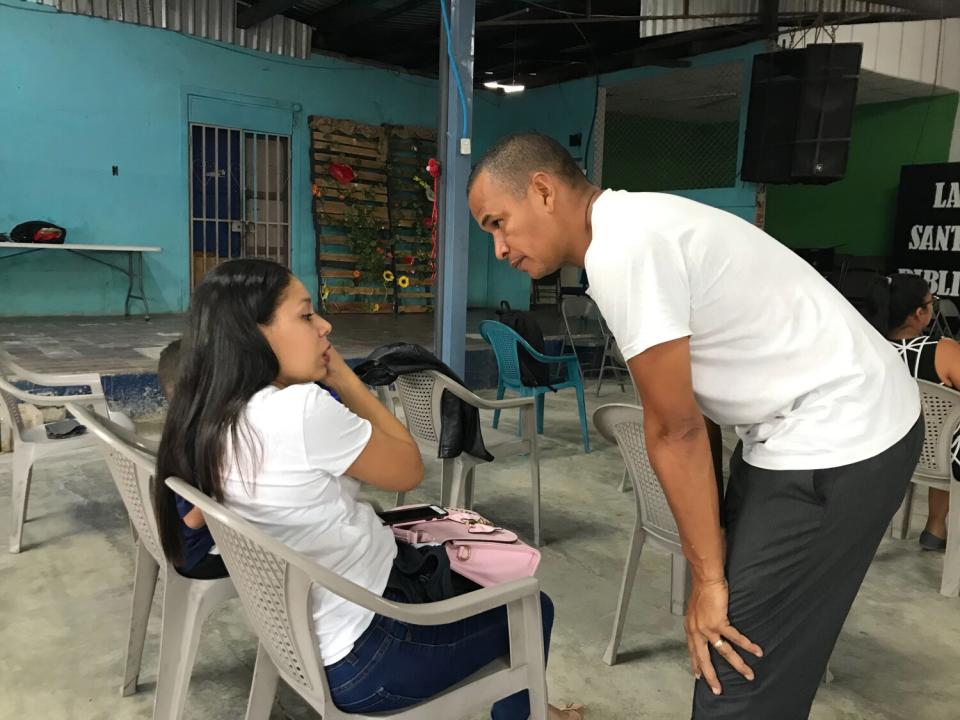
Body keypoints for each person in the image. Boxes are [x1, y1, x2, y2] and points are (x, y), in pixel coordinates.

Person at [467, 132, 923, 720]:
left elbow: (674, 430)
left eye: (499, 223)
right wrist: (709, 566)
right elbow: (689, 411)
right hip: (798, 428)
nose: (500, 248)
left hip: (842, 433)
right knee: (735, 632)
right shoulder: (634, 226)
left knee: (733, 666)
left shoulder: (624, 249)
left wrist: (708, 582)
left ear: (543, 190)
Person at [153, 259, 582, 720]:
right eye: (305, 315)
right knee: (533, 607)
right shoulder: (297, 409)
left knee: (459, 562)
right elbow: (409, 468)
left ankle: (538, 706)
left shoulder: (207, 418)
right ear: (253, 334)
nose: (324, 326)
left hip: (305, 639)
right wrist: (342, 376)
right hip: (373, 653)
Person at [876, 273, 959, 550]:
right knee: (949, 431)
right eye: (931, 301)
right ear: (918, 313)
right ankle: (935, 525)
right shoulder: (942, 351)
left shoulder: (870, 349)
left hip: (887, 449)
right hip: (940, 458)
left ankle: (936, 528)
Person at [156, 339, 228, 580]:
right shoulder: (199, 442)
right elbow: (193, 519)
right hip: (201, 556)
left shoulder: (178, 429)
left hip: (185, 549)